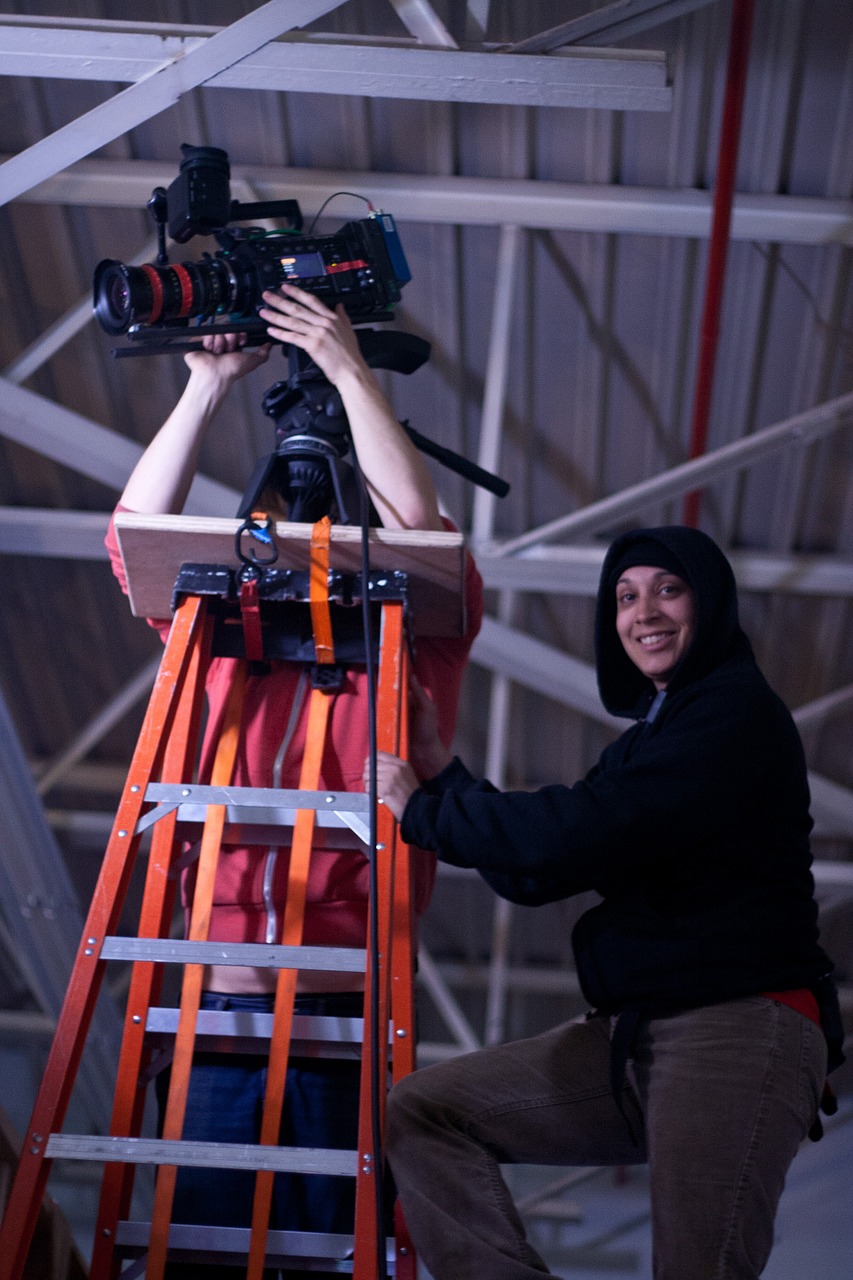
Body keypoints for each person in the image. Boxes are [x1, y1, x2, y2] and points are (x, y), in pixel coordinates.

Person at [105, 283, 483, 1276]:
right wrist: (207, 384)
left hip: (344, 1016)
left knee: (327, 1259)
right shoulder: (215, 641)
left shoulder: (404, 642)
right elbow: (136, 534)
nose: (295, 537)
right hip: (220, 1017)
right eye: (271, 524)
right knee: (197, 1256)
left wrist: (352, 370)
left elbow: (424, 530)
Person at [370, 525, 842, 1280]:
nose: (642, 611)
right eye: (624, 596)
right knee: (427, 1111)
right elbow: (535, 871)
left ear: (710, 602)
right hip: (639, 1034)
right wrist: (439, 774)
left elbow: (572, 836)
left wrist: (421, 811)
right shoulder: (644, 746)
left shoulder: (732, 714)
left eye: (667, 588)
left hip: (734, 1024)